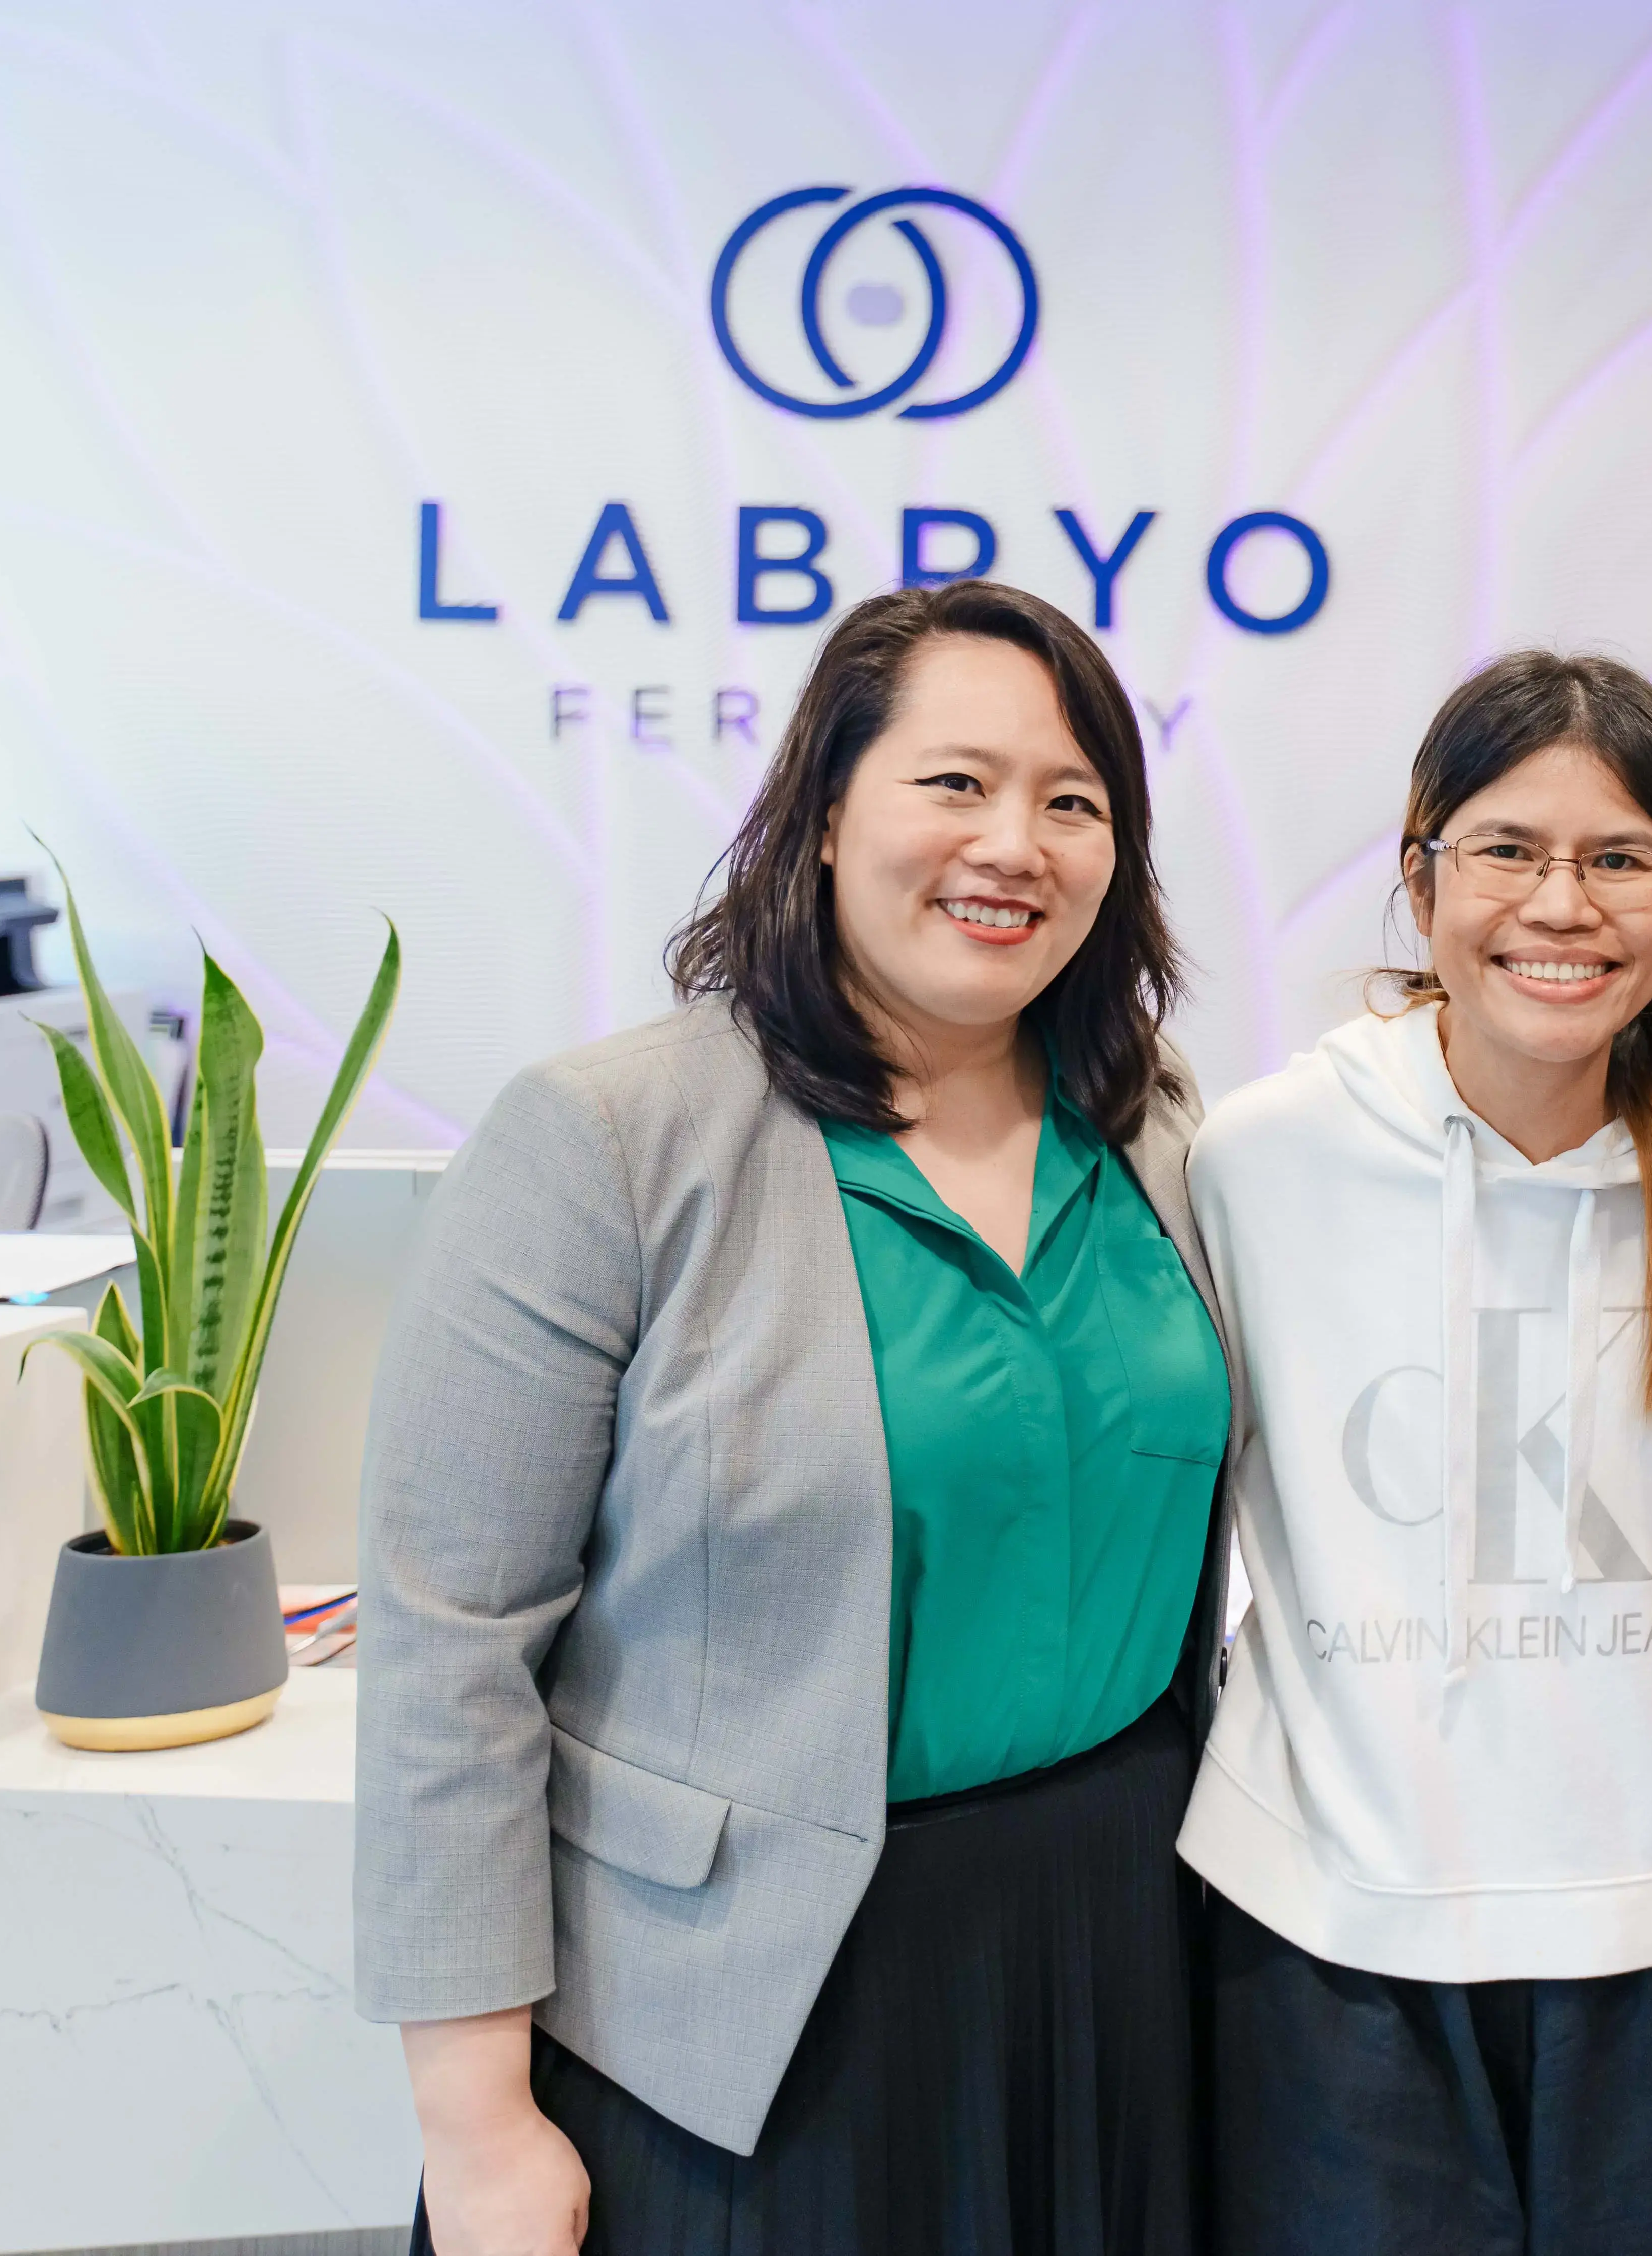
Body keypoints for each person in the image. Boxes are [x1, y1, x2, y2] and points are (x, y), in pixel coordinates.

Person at [354, 580, 1230, 2256]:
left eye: (1073, 802)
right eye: (955, 784)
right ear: (826, 816)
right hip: (734, 2013)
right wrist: (472, 2124)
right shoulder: (609, 1140)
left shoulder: (1150, 1131)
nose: (1015, 844)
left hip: (1116, 1937)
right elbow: (450, 1650)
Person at [1179, 651, 1652, 2255]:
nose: (1562, 904)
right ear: (1420, 874)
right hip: (1330, 1928)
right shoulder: (1259, 1157)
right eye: (1509, 850)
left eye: (1619, 860)